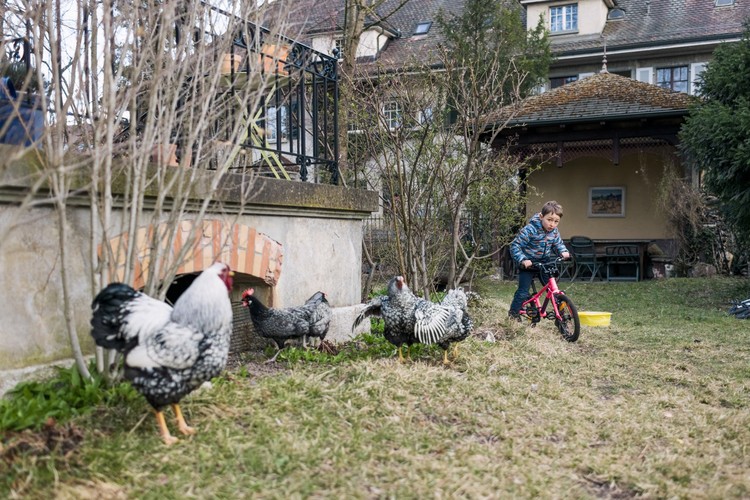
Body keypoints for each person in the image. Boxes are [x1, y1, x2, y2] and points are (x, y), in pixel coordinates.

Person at [508, 200, 570, 320]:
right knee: (523, 292)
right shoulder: (530, 229)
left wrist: (563, 252)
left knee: (553, 290)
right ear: (541, 217)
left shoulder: (554, 231)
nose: (552, 224)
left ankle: (561, 318)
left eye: (556, 221)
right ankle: (513, 316)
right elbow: (515, 246)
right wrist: (523, 259)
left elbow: (558, 244)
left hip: (545, 263)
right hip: (528, 264)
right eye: (549, 220)